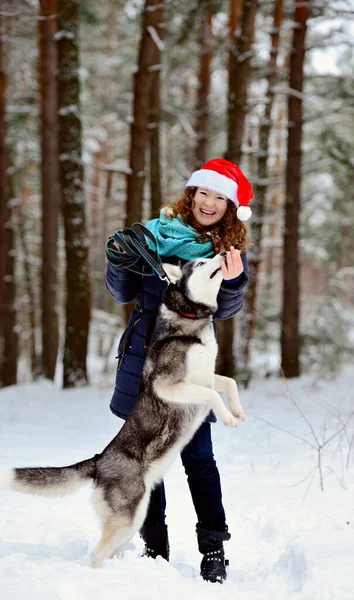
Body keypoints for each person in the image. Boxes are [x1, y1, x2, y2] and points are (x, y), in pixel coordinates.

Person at [105, 158, 254, 583]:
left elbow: (223, 311)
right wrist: (118, 260)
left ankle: (213, 550)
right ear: (192, 194)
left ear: (230, 207)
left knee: (199, 460)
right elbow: (123, 292)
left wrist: (236, 281)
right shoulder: (153, 235)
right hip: (141, 363)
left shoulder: (226, 253)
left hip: (188, 365)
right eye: (204, 193)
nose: (209, 203)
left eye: (220, 198)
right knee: (146, 461)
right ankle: (155, 548)